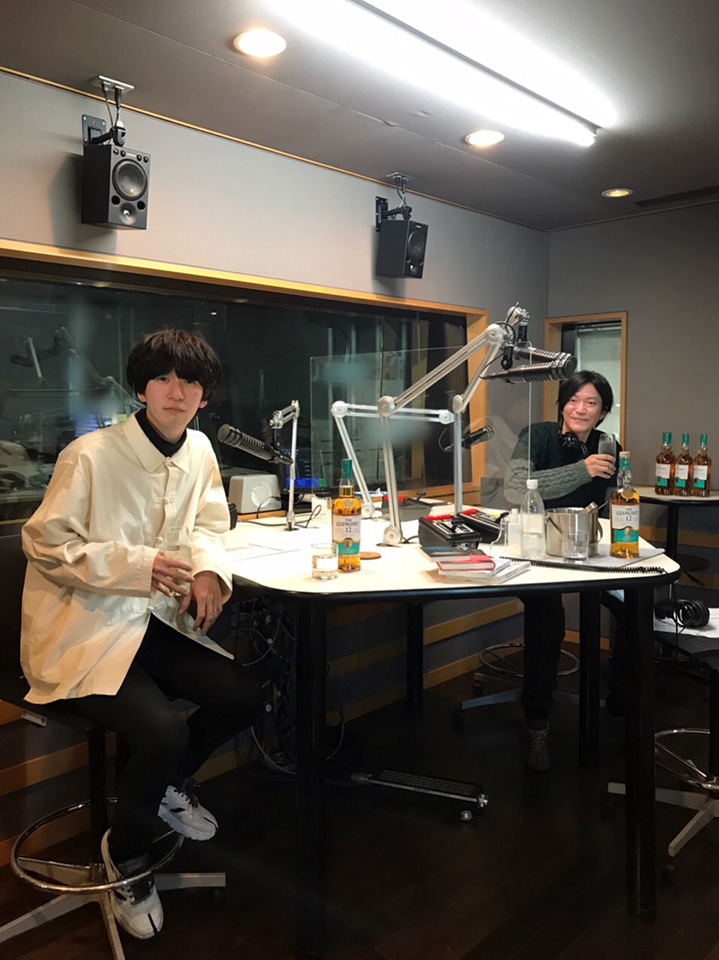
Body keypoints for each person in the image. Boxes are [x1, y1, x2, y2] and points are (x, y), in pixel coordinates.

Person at [21, 329, 264, 939]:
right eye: (163, 378)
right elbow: (45, 543)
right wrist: (137, 565)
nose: (176, 392)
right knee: (161, 731)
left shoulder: (200, 449)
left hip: (151, 620)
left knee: (244, 696)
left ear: (205, 395)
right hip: (84, 623)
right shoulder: (90, 454)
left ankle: (163, 787)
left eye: (190, 381)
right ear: (141, 388)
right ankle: (127, 856)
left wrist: (207, 570)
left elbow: (210, 522)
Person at [504, 370, 618, 772]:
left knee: (629, 603)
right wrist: (582, 470)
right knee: (547, 614)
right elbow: (515, 488)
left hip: (588, 549)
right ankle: (537, 720)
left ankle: (620, 704)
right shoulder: (537, 435)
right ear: (562, 404)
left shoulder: (608, 444)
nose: (580, 409)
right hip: (536, 550)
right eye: (573, 400)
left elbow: (612, 499)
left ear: (603, 411)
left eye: (591, 403)